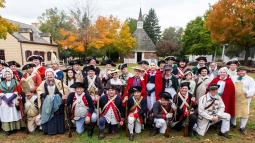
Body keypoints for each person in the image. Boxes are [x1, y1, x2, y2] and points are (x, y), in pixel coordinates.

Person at [36, 68, 69, 135]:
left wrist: (60, 93)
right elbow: (39, 90)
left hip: (58, 102)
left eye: (51, 75)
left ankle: (60, 130)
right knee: (49, 114)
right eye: (48, 75)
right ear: (46, 76)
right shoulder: (43, 83)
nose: (49, 76)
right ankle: (50, 130)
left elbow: (65, 89)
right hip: (48, 102)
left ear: (54, 75)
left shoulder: (58, 82)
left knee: (58, 113)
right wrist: (43, 94)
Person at [232, 67, 255, 134]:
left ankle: (242, 127)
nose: (241, 72)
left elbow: (253, 89)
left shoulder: (250, 79)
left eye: (243, 71)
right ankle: (233, 123)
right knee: (234, 110)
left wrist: (247, 93)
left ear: (246, 71)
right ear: (238, 72)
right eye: (240, 71)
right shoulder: (234, 78)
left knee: (244, 112)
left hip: (245, 98)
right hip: (235, 97)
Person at [0, 68, 23, 135]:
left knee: (14, 112)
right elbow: (0, 92)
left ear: (11, 74)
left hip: (14, 98)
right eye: (6, 74)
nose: (7, 75)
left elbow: (18, 91)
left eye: (9, 74)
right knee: (5, 111)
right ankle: (8, 129)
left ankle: (15, 127)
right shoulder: (1, 83)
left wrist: (10, 100)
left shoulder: (16, 82)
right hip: (4, 99)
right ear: (4, 75)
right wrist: (6, 100)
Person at [21, 63, 42, 133]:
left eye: (30, 68)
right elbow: (22, 86)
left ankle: (38, 122)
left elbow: (40, 85)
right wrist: (26, 92)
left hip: (35, 94)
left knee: (36, 107)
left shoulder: (36, 74)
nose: (29, 70)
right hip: (27, 94)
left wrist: (32, 91)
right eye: (27, 69)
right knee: (27, 107)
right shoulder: (24, 76)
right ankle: (30, 121)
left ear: (32, 68)